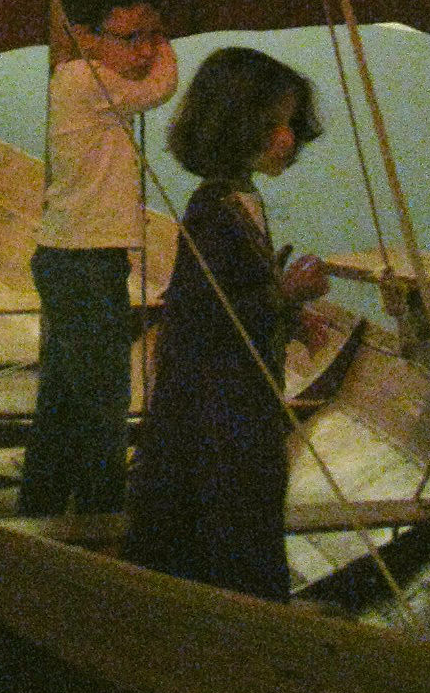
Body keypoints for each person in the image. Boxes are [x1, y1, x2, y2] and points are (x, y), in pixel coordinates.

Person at [123, 46, 330, 599]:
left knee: (245, 503)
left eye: (290, 124)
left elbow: (237, 302)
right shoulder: (212, 211)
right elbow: (207, 319)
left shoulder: (240, 201)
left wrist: (291, 315)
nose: (288, 138)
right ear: (237, 125)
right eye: (274, 124)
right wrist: (286, 294)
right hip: (216, 409)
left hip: (239, 398)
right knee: (230, 510)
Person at [16, 0, 178, 518]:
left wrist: (149, 37)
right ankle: (100, 519)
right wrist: (168, 48)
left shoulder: (87, 77)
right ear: (83, 36)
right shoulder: (84, 78)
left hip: (81, 260)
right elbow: (160, 88)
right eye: (131, 37)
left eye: (150, 36)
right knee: (103, 402)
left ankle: (40, 505)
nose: (143, 51)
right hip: (81, 264)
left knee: (64, 398)